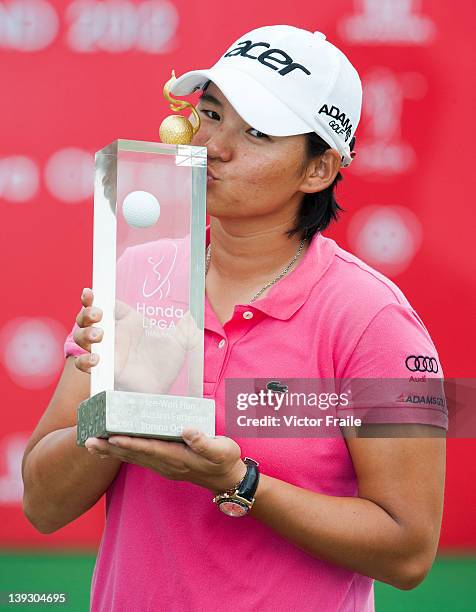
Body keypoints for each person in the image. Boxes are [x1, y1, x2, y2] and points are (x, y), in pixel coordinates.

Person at [22, 25, 447, 612]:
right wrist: (120, 406)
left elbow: (408, 550)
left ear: (318, 169)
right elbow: (43, 506)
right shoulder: (142, 271)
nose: (214, 146)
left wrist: (239, 483)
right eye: (214, 114)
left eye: (258, 133)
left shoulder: (373, 319)